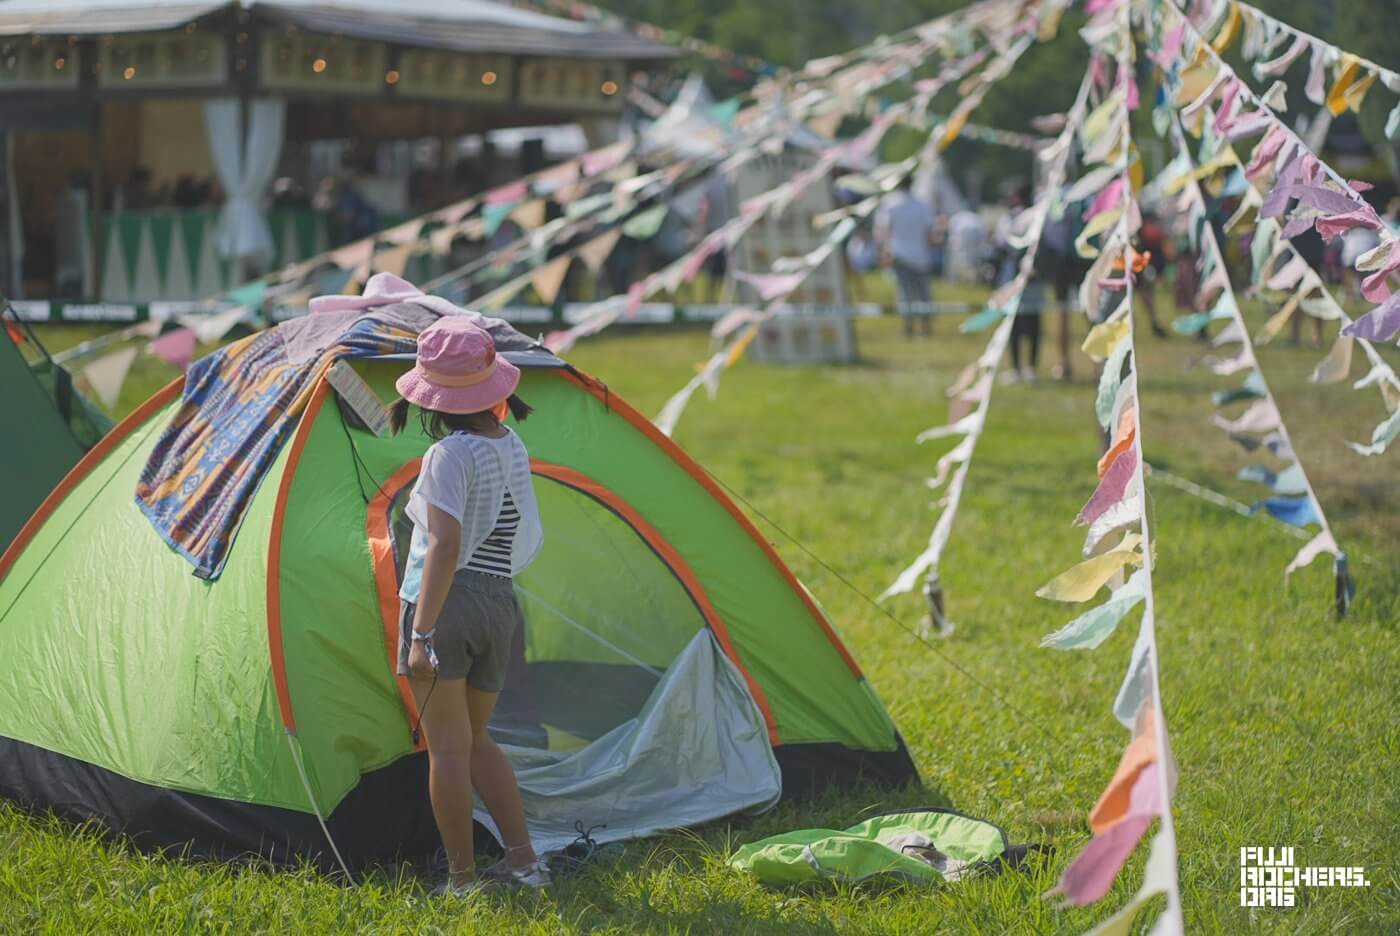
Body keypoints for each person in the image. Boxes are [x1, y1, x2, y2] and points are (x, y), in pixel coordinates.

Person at [388, 317, 549, 895]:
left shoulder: (447, 456)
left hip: (447, 609)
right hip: (498, 605)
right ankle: (525, 861)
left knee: (447, 752)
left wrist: (421, 632)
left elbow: (446, 545)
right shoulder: (512, 444)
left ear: (434, 401)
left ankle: (461, 879)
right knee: (479, 740)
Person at [876, 176, 938, 336]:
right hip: (920, 255)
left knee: (905, 293)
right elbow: (929, 235)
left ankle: (909, 326)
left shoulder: (891, 205)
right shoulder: (923, 205)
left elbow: (884, 232)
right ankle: (926, 326)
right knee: (923, 292)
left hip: (899, 253)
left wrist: (884, 252)